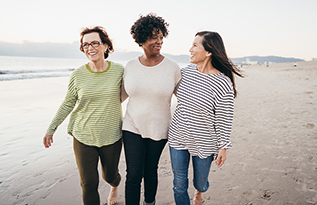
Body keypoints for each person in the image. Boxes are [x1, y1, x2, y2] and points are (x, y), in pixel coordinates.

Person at [43, 26, 124, 205]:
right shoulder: (78, 75)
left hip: (111, 135)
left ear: (106, 46)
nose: (90, 48)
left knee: (110, 175)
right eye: (85, 45)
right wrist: (51, 129)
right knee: (88, 184)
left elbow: (134, 91)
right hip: (83, 136)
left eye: (94, 43)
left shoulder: (120, 71)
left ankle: (115, 185)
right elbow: (68, 103)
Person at [168, 31, 243, 205]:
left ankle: (199, 192)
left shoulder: (223, 83)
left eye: (195, 45)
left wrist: (223, 146)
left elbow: (225, 118)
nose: (190, 49)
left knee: (200, 182)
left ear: (208, 52)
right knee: (179, 184)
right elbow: (163, 88)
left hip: (204, 141)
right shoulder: (184, 73)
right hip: (178, 137)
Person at [121, 13, 181, 205]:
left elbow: (185, 99)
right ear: (141, 38)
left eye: (161, 37)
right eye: (154, 37)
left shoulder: (172, 67)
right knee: (133, 173)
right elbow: (119, 97)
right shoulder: (130, 66)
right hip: (132, 125)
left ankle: (149, 202)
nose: (159, 41)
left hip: (159, 127)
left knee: (150, 169)